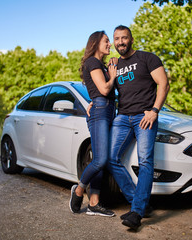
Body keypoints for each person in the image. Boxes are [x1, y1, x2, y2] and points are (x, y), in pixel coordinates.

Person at [107, 25, 169, 230]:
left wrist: (154, 110)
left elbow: (164, 83)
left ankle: (136, 212)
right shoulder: (114, 66)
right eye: (116, 39)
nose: (120, 42)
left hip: (145, 117)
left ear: (131, 39)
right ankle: (139, 202)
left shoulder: (147, 58)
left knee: (145, 161)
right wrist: (93, 101)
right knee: (111, 158)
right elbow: (107, 90)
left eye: (124, 38)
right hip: (123, 117)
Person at [69, 30, 117, 217]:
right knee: (100, 160)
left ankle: (94, 204)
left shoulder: (102, 65)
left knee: (101, 160)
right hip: (101, 111)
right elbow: (104, 89)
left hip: (107, 110)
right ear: (96, 43)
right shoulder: (92, 62)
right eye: (106, 41)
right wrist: (112, 77)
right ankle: (79, 190)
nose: (109, 44)